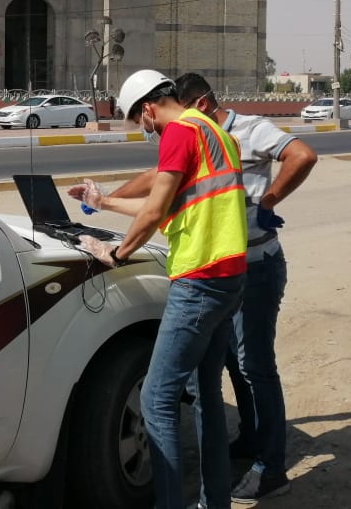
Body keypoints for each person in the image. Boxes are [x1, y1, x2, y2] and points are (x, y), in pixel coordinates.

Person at [70, 69, 248, 509]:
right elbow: (167, 203)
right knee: (206, 396)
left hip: (199, 280)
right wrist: (102, 201)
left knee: (157, 398)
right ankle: (215, 502)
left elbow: (151, 214)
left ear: (148, 108)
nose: (142, 129)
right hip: (229, 279)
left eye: (138, 121)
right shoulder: (215, 132)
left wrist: (117, 252)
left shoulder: (177, 132)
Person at [174, 73, 317, 503]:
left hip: (257, 268)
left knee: (256, 366)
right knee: (236, 364)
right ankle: (253, 438)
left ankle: (272, 469)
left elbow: (303, 155)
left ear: (200, 104)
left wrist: (268, 200)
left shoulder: (249, 129)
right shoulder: (202, 139)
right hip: (227, 270)